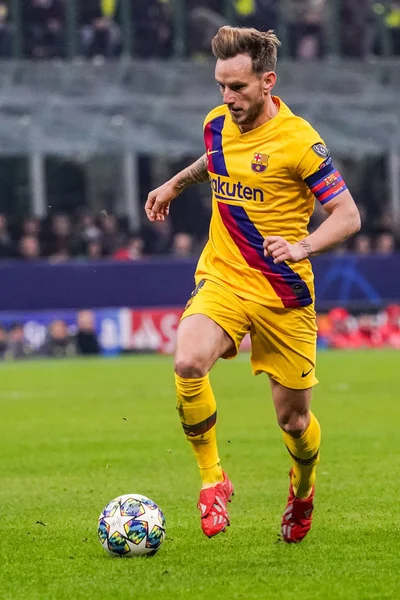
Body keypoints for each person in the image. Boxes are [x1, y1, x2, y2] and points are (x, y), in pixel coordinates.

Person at [145, 26, 361, 543]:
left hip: (283, 293)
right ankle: (212, 480)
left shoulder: (299, 141)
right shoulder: (216, 124)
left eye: (237, 88)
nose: (227, 98)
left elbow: (348, 215)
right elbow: (215, 162)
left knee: (293, 422)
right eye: (221, 86)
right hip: (223, 274)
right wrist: (175, 183)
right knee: (188, 361)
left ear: (268, 82)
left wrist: (303, 246)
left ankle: (303, 489)